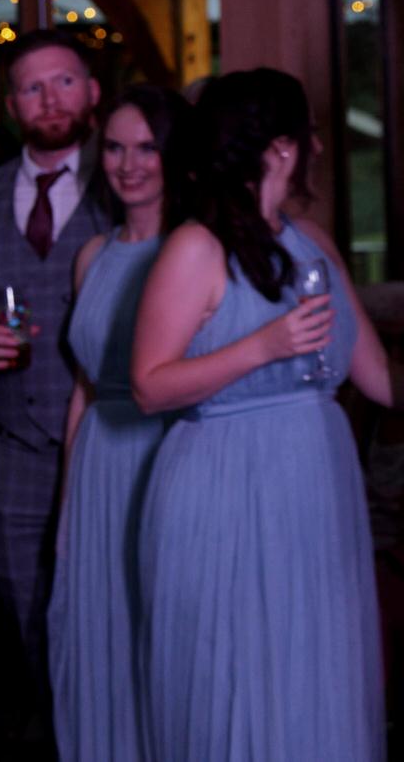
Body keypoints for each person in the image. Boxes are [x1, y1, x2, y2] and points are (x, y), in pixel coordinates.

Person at [132, 68, 388, 761]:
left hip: (315, 488)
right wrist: (261, 347)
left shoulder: (314, 243)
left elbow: (379, 379)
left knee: (312, 673)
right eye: (308, 133)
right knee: (237, 675)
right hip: (225, 486)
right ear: (279, 148)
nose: (318, 147)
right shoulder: (195, 247)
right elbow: (149, 386)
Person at [0, 28, 107, 744]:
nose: (50, 99)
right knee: (28, 614)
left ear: (92, 91)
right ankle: (63, 734)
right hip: (13, 447)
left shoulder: (125, 181)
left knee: (104, 609)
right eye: (32, 87)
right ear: (11, 105)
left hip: (109, 438)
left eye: (64, 81)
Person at [46, 85, 191, 762]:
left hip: (169, 455)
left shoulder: (194, 251)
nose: (128, 165)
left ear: (174, 155)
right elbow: (83, 389)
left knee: (168, 634)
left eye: (147, 148)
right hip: (101, 465)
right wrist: (68, 505)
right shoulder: (92, 255)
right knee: (102, 633)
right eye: (114, 148)